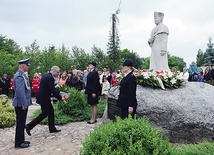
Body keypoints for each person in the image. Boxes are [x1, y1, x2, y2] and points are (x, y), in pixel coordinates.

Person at [25, 66, 64, 136]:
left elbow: (48, 87)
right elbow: (52, 90)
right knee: (45, 113)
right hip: (44, 98)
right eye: (57, 72)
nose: (58, 74)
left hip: (42, 97)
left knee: (50, 112)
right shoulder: (50, 77)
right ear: (54, 71)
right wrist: (60, 98)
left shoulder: (46, 75)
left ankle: (52, 128)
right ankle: (29, 126)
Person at [12, 58, 32, 148]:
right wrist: (24, 103)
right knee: (20, 123)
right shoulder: (19, 76)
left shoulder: (21, 75)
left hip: (21, 103)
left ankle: (21, 140)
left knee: (22, 122)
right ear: (23, 66)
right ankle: (18, 142)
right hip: (20, 104)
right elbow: (20, 92)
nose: (28, 67)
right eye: (27, 65)